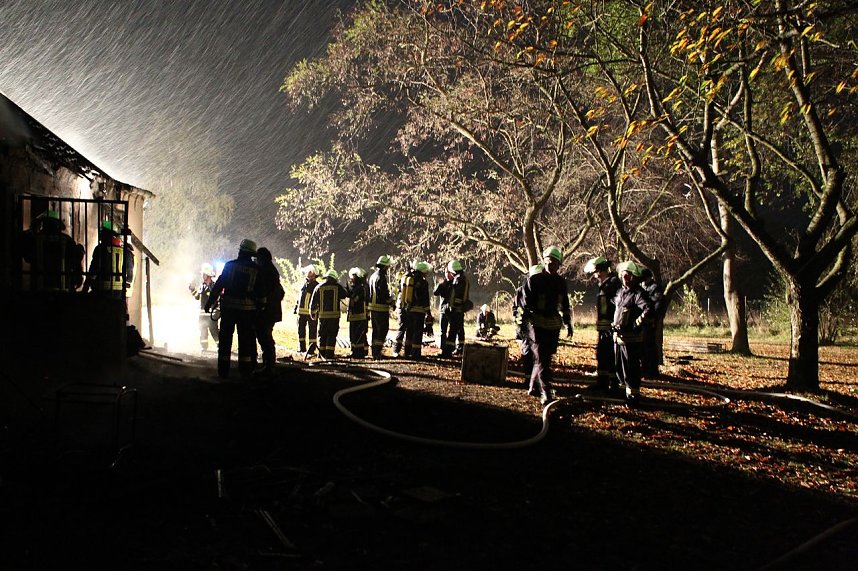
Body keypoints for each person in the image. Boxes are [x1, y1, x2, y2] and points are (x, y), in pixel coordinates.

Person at [520, 246, 573, 405]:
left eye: (555, 263)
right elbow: (524, 304)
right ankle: (545, 391)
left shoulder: (560, 282)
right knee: (542, 359)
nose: (552, 265)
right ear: (544, 262)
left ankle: (532, 386)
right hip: (536, 325)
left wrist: (568, 323)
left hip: (553, 326)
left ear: (559, 265)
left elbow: (565, 304)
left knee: (545, 359)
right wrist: (523, 325)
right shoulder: (534, 280)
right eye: (549, 262)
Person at [205, 239, 263, 380]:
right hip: (247, 312)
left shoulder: (229, 266)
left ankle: (223, 371)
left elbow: (219, 286)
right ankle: (245, 371)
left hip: (229, 309)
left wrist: (209, 303)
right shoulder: (256, 269)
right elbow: (260, 291)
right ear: (252, 254)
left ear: (240, 251)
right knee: (245, 341)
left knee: (225, 341)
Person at [612, 261, 654, 406]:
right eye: (624, 276)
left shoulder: (638, 293)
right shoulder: (619, 292)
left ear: (634, 277)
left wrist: (637, 323)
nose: (626, 278)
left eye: (629, 276)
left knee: (631, 369)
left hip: (631, 339)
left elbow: (648, 309)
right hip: (619, 338)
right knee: (619, 368)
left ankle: (633, 396)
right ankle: (623, 393)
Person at [583, 256, 621, 392]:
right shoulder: (606, 284)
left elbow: (618, 305)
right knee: (602, 355)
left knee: (610, 356)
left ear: (600, 270)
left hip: (611, 327)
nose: (594, 276)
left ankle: (613, 384)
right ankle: (603, 382)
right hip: (604, 327)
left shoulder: (613, 284)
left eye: (595, 272)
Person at [22, 210, 83, 292]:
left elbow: (27, 257)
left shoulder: (35, 240)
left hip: (39, 286)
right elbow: (76, 260)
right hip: (63, 286)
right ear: (58, 225)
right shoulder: (68, 240)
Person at [83, 220, 133, 300]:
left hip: (101, 292)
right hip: (118, 294)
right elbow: (129, 278)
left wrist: (85, 287)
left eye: (102, 234)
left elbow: (93, 271)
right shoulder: (126, 252)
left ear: (106, 235)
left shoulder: (100, 249)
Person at [254, 247, 285, 376]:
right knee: (265, 336)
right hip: (270, 311)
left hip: (267, 311)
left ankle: (269, 365)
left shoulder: (266, 271)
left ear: (261, 258)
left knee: (264, 337)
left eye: (257, 258)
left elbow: (264, 291)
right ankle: (268, 364)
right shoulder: (270, 269)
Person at [513, 264, 543, 387]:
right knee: (527, 353)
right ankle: (528, 380)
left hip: (540, 327)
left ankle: (537, 381)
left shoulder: (544, 291)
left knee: (540, 355)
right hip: (526, 328)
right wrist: (519, 326)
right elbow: (516, 309)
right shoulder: (521, 290)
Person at [395, 261, 432, 359]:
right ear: (422, 271)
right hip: (419, 312)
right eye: (426, 272)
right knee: (417, 333)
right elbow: (425, 300)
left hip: (408, 311)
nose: (427, 273)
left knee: (409, 332)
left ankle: (407, 352)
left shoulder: (408, 279)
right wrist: (428, 313)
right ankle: (415, 354)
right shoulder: (423, 283)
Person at [310, 269, 348, 359]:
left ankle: (321, 354)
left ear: (326, 277)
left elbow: (313, 302)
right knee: (331, 335)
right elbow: (344, 295)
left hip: (323, 317)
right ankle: (329, 355)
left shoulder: (319, 287)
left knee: (322, 335)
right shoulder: (338, 287)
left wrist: (312, 313)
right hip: (334, 317)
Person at [367, 255, 394, 359]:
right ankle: (378, 353)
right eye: (387, 267)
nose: (388, 269)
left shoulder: (373, 276)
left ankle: (374, 352)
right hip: (381, 309)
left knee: (375, 330)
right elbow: (382, 293)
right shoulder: (381, 277)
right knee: (382, 330)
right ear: (384, 266)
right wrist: (390, 300)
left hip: (373, 309)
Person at [640, 268, 665, 378]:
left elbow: (657, 304)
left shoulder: (655, 288)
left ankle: (652, 370)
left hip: (650, 321)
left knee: (650, 346)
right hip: (643, 320)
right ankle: (645, 368)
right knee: (643, 347)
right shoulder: (644, 287)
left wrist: (653, 318)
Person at [190, 262, 220, 351]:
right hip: (202, 314)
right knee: (202, 330)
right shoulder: (202, 286)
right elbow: (197, 297)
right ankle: (204, 347)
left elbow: (218, 299)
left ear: (208, 275)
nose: (202, 276)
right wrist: (192, 289)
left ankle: (220, 345)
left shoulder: (214, 286)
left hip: (212, 314)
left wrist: (217, 312)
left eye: (204, 274)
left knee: (213, 330)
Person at [443, 260, 470, 357]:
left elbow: (454, 295)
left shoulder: (457, 280)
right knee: (460, 328)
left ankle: (448, 351)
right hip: (461, 308)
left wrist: (450, 307)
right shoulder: (464, 278)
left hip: (455, 309)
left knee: (453, 330)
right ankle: (460, 348)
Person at [294, 264, 319, 356]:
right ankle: (302, 348)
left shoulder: (316, 286)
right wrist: (296, 307)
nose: (307, 274)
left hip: (311, 313)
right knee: (301, 330)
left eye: (309, 272)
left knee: (312, 331)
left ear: (313, 274)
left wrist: (314, 311)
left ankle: (311, 349)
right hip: (301, 312)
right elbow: (300, 297)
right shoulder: (304, 284)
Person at [346, 267, 369, 358]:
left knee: (359, 334)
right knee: (353, 335)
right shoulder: (356, 288)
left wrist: (350, 294)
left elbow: (355, 300)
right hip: (354, 316)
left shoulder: (360, 288)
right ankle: (355, 351)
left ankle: (359, 353)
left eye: (353, 277)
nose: (351, 279)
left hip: (359, 316)